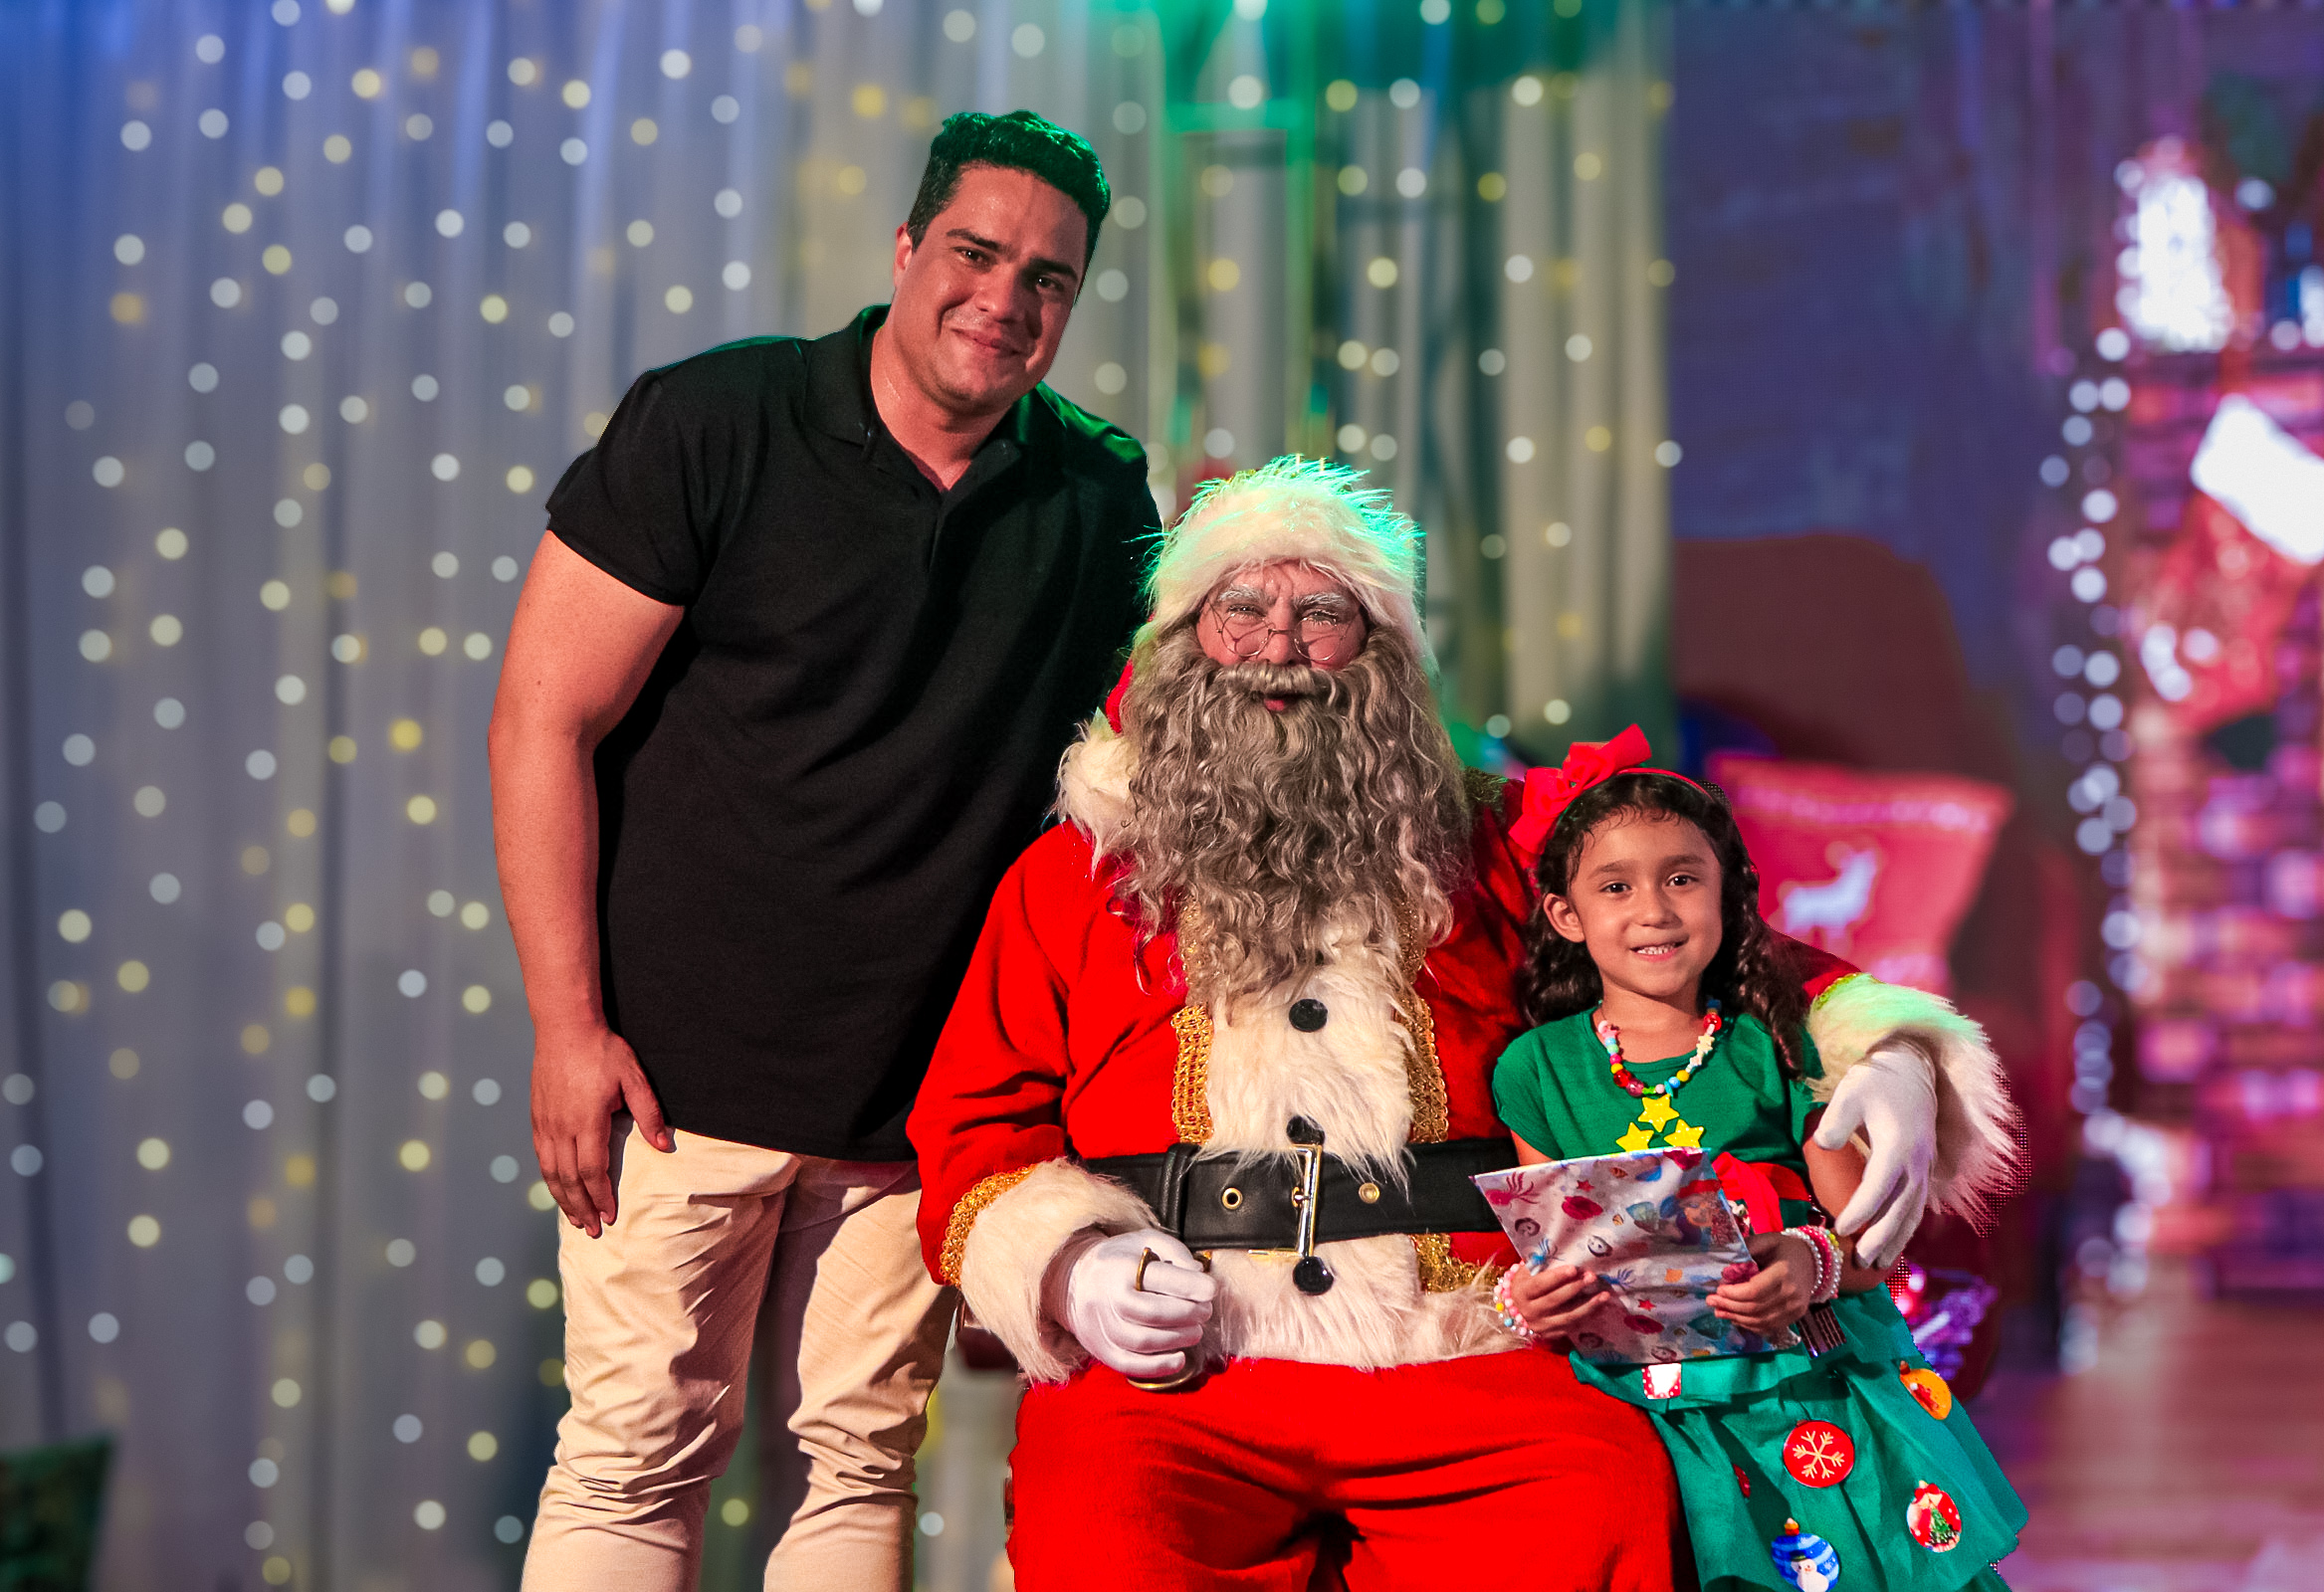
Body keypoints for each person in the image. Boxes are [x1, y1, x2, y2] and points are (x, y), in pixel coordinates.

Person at [907, 457, 2017, 1590]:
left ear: (1383, 649)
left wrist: (1883, 1048)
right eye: (1240, 607)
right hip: (1184, 1370)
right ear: (1184, 644)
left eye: (1322, 611)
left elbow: (1708, 950)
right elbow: (974, 1124)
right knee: (1103, 1538)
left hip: (1473, 1343)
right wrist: (1071, 1267)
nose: (1279, 644)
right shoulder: (1072, 877)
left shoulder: (1506, 843)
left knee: (1594, 1498)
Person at [489, 110, 1155, 1591]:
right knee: (632, 1456)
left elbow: (1127, 775)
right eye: (975, 253)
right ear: (907, 249)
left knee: (861, 1462)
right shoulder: (716, 422)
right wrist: (566, 1029)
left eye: (1048, 277)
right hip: (672, 1078)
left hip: (914, 1101)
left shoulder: (1096, 492)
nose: (1004, 297)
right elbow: (543, 719)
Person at [1492, 729, 2025, 1592]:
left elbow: (1872, 1249)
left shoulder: (1780, 1043)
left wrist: (1809, 1266)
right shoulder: (1536, 1069)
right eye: (1616, 886)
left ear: (1728, 893)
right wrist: (1530, 1302)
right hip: (1650, 1413)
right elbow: (1552, 1243)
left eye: (1681, 878)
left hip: (1811, 1391)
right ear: (1565, 914)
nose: (1654, 910)